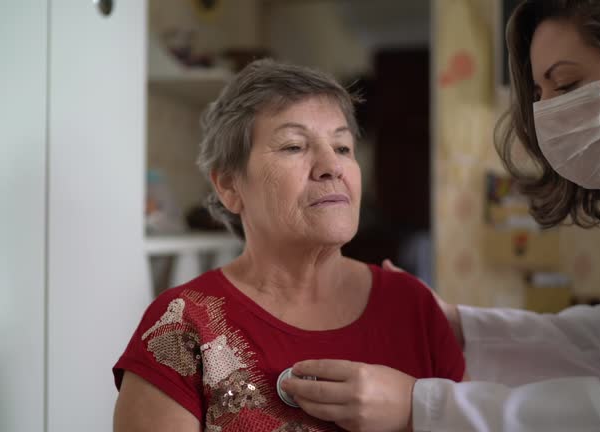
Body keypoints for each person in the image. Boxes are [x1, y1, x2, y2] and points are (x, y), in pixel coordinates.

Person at [281, 1, 600, 430]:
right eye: (539, 94)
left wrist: (421, 408)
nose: (546, 116)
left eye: (567, 84)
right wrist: (455, 325)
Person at [111, 59, 465, 432]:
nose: (332, 166)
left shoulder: (412, 306)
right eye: (294, 146)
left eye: (343, 147)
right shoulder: (181, 323)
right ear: (230, 186)